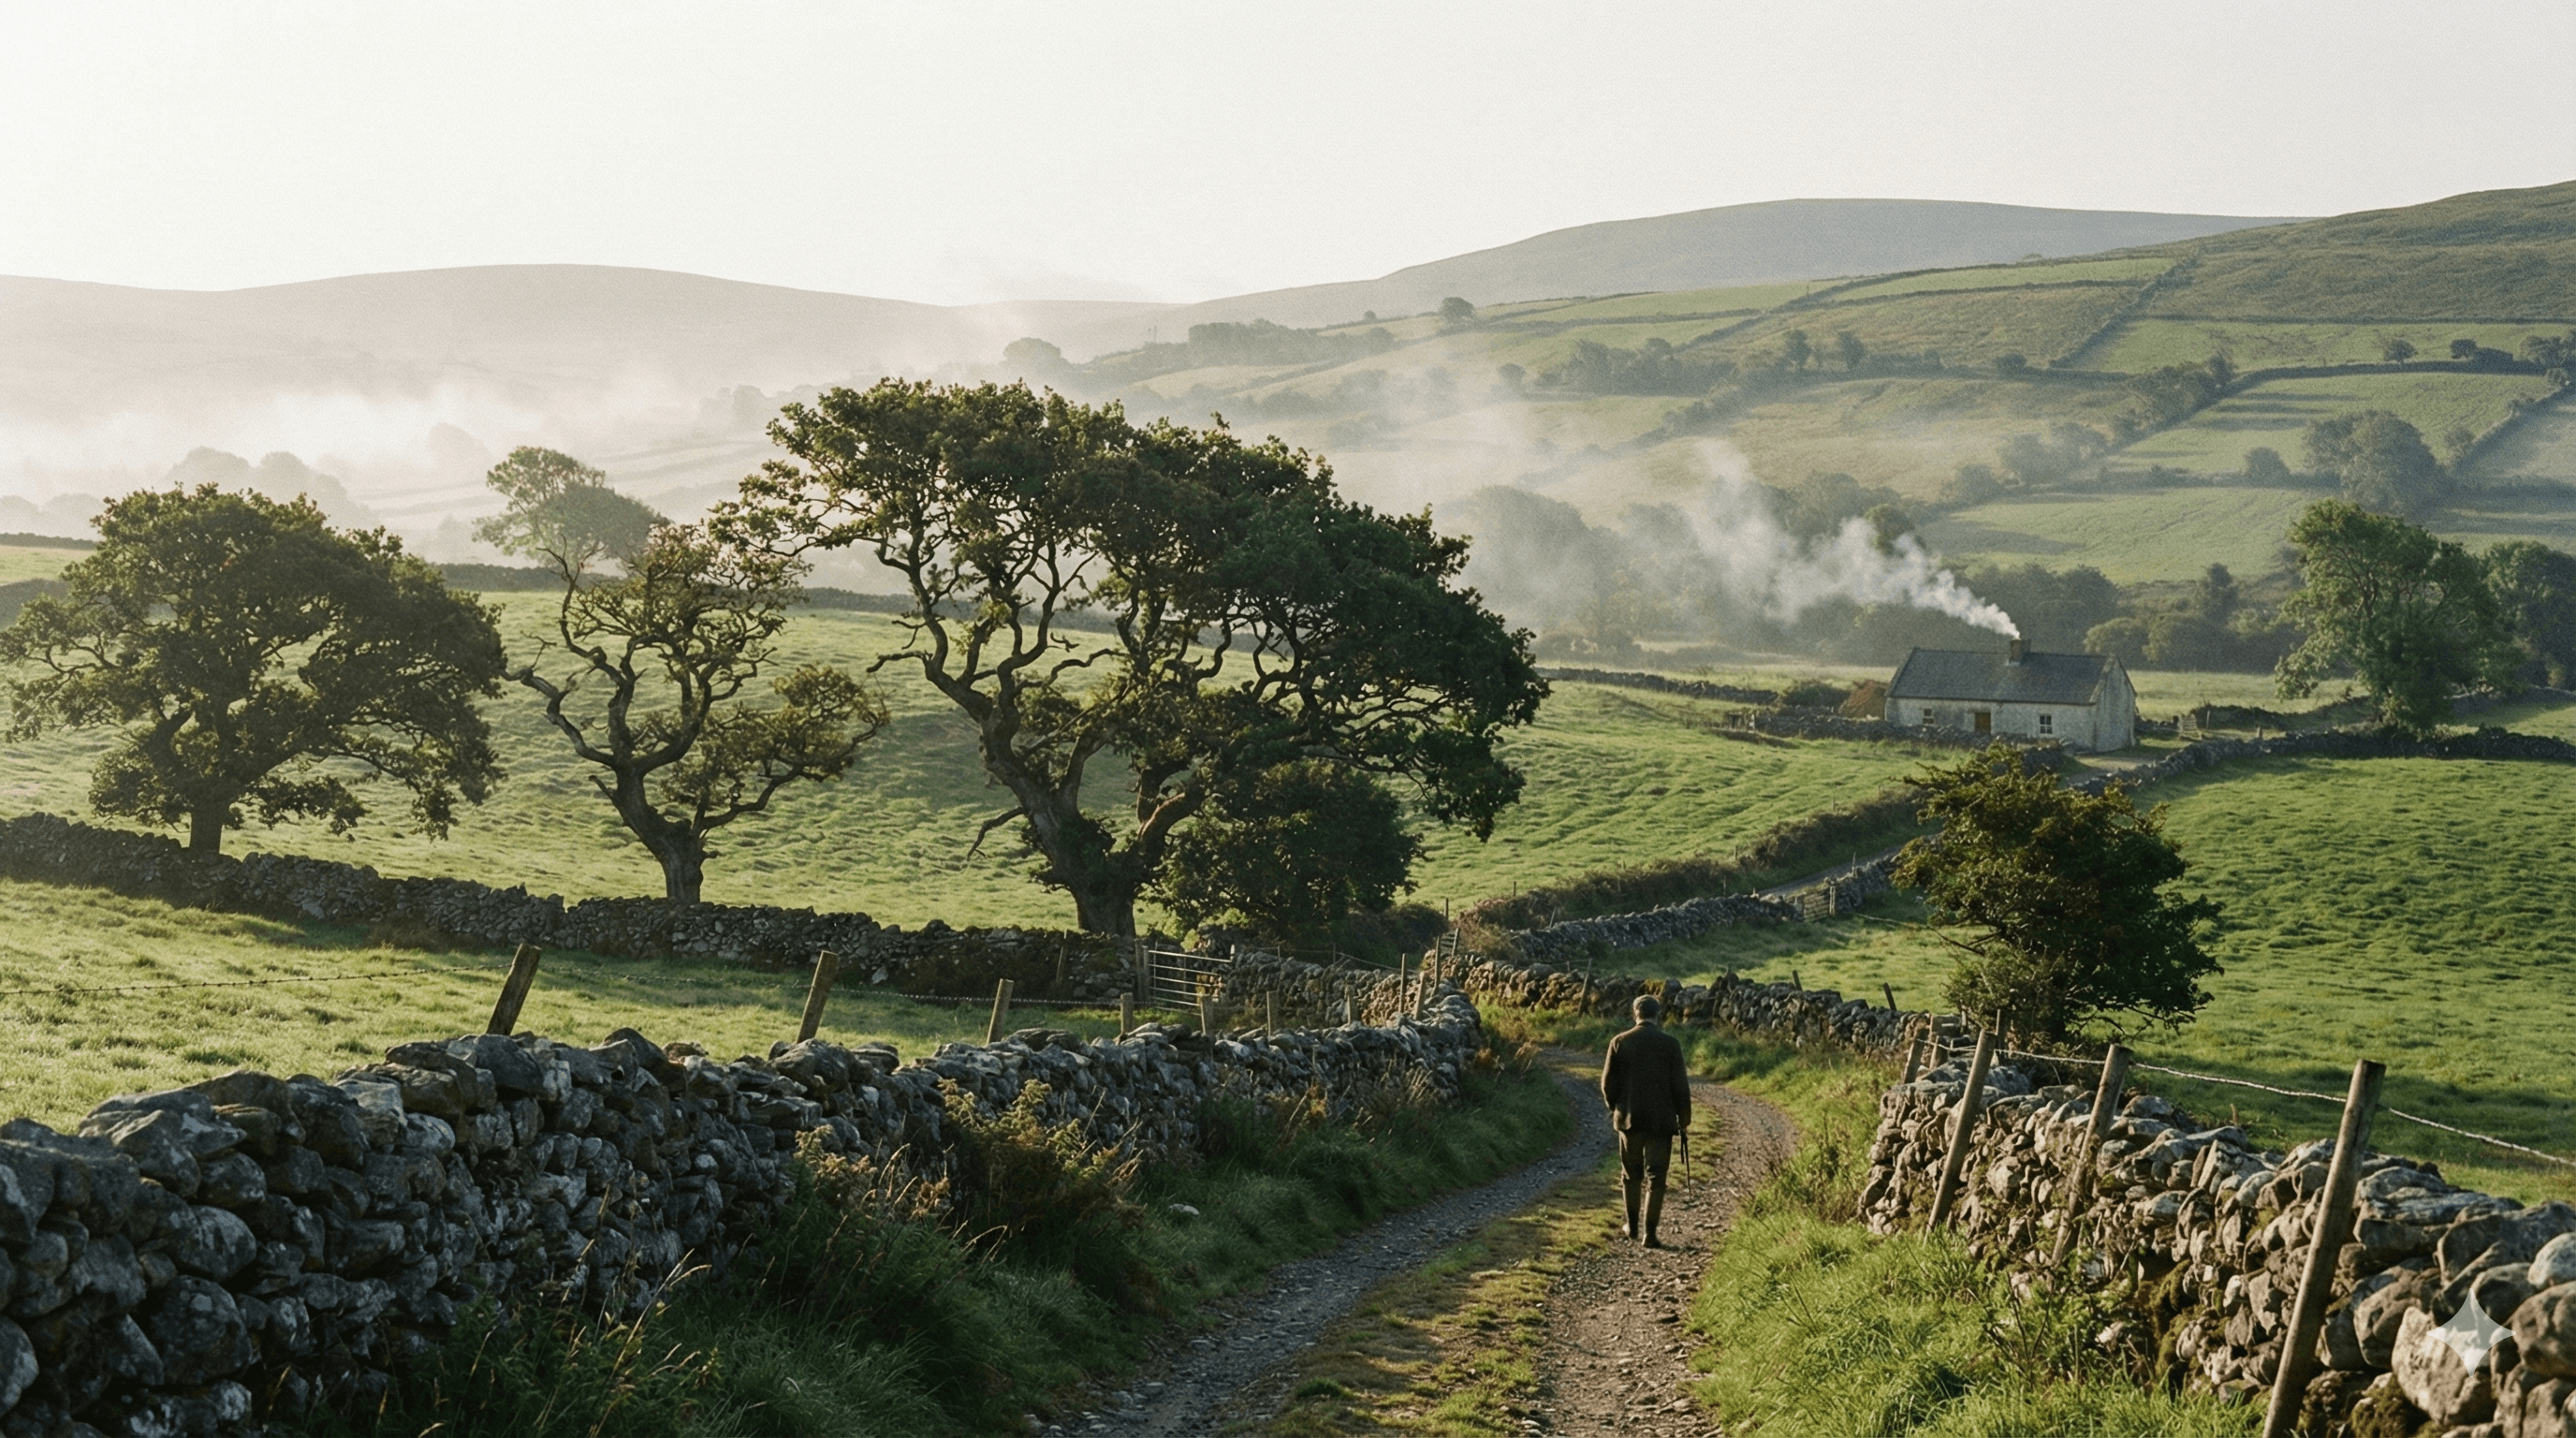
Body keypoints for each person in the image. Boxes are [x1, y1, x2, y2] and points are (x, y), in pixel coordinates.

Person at [1600, 993, 1690, 1247]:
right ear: (1657, 1015)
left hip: (1629, 1119)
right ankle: (1650, 1234)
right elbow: (1680, 1087)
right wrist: (1683, 1120)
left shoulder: (1619, 1042)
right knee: (1657, 1178)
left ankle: (1631, 1227)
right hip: (1661, 1121)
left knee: (1631, 1175)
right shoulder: (1671, 1044)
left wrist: (1616, 1108)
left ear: (1635, 1014)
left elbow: (1607, 1085)